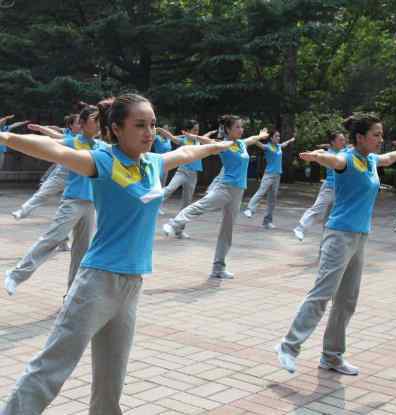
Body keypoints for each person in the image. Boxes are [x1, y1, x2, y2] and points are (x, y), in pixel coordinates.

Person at [0, 93, 232, 415]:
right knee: (51, 371)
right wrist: (5, 136)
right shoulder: (103, 161)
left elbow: (188, 151)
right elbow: (54, 149)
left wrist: (218, 146)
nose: (149, 132)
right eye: (139, 125)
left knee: (111, 384)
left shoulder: (153, 164)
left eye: (152, 124)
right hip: (97, 283)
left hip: (131, 285)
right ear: (117, 129)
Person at [274, 113, 396, 375]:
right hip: (339, 236)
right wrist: (317, 156)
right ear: (360, 137)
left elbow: (388, 158)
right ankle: (288, 346)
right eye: (376, 134)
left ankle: (332, 356)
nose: (380, 139)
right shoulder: (347, 160)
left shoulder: (371, 160)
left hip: (360, 237)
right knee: (321, 295)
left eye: (381, 134)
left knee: (347, 300)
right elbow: (334, 160)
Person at [4, 105, 104, 296]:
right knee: (53, 238)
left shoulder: (101, 146)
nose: (99, 123)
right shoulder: (72, 142)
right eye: (94, 119)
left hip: (91, 205)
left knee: (81, 252)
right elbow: (48, 141)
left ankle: (71, 295)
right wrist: (21, 136)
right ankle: (16, 274)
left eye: (100, 119)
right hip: (73, 201)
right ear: (82, 124)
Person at [163, 115, 269, 279]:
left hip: (238, 192)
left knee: (227, 231)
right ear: (228, 130)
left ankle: (218, 268)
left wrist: (260, 136)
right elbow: (209, 143)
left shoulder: (241, 144)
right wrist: (194, 137)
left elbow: (252, 139)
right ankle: (174, 223)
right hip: (224, 188)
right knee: (201, 205)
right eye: (237, 127)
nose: (241, 130)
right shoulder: (223, 145)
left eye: (242, 127)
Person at [11, 115, 81, 221]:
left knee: (72, 202)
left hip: (81, 174)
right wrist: (40, 128)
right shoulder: (68, 136)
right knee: (43, 193)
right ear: (71, 125)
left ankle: (64, 230)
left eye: (82, 122)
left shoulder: (88, 137)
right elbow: (55, 134)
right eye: (78, 123)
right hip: (63, 172)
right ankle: (22, 211)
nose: (81, 125)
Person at [157, 120, 216, 227]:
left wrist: (210, 133)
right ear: (188, 131)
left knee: (186, 203)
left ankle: (179, 229)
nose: (197, 132)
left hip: (193, 175)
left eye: (198, 130)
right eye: (195, 130)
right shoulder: (183, 140)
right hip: (182, 172)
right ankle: (152, 201)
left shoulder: (198, 141)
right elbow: (172, 137)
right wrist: (160, 130)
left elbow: (204, 138)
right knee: (169, 189)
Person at [293, 132, 347, 241]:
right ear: (333, 142)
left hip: (341, 190)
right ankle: (300, 228)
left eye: (344, 140)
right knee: (318, 210)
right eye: (340, 140)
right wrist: (310, 154)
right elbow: (316, 153)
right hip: (329, 188)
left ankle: (326, 243)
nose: (343, 142)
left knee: (331, 218)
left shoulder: (345, 152)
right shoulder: (326, 152)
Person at [243, 129, 295, 229]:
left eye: (279, 136)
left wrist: (290, 140)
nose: (278, 138)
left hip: (277, 176)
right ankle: (250, 209)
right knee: (261, 192)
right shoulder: (267, 147)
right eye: (276, 136)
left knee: (272, 200)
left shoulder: (279, 147)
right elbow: (257, 143)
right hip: (268, 175)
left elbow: (284, 144)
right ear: (271, 138)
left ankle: (267, 222)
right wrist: (258, 136)